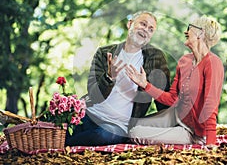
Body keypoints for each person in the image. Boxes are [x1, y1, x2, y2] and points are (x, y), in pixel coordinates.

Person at [66, 11, 170, 146]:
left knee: (101, 136)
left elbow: (163, 97)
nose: (146, 30)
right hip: (89, 114)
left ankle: (65, 146)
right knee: (57, 128)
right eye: (143, 24)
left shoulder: (155, 58)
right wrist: (110, 77)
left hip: (117, 126)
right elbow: (94, 94)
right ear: (130, 24)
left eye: (151, 29)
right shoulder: (104, 53)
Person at [125, 15, 224, 146]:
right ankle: (172, 131)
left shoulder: (213, 63)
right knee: (133, 126)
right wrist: (145, 85)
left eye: (190, 28)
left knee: (135, 133)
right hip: (176, 116)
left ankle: (187, 138)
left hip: (192, 131)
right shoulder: (184, 61)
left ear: (200, 33)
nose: (186, 32)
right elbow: (172, 98)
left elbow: (210, 106)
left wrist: (211, 143)